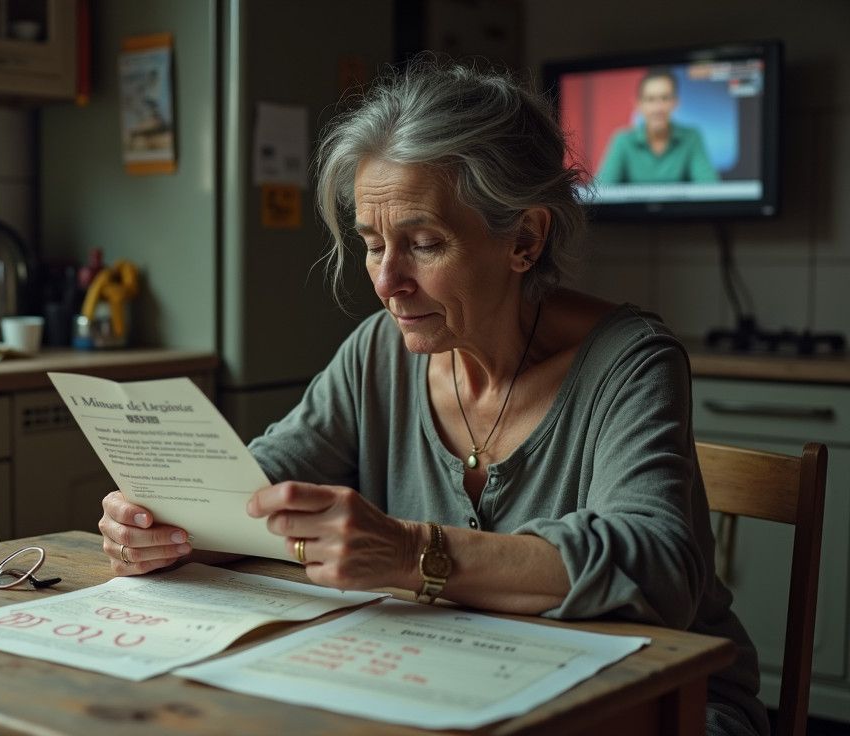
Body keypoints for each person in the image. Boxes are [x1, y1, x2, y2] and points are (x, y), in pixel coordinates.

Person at [97, 61, 766, 736]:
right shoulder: (376, 352)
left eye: (424, 244)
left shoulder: (630, 359)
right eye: (371, 244)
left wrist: (411, 554)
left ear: (525, 240)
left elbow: (656, 565)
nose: (388, 281)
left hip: (655, 708)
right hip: (454, 689)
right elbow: (260, 484)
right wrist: (169, 525)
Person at [597, 67, 719, 184]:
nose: (658, 108)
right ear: (638, 105)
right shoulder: (622, 140)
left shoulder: (692, 137)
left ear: (675, 102)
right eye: (650, 99)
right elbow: (600, 193)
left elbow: (710, 189)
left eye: (665, 98)